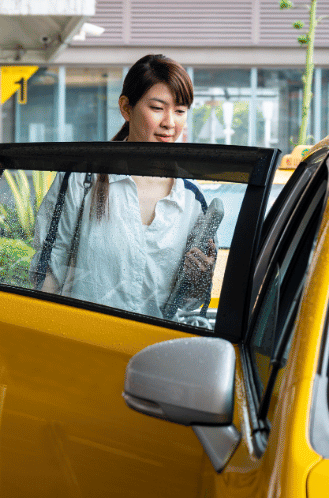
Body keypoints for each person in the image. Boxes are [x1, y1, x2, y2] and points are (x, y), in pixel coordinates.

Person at [32, 54, 216, 319]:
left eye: (180, 110)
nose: (170, 123)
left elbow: (185, 309)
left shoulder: (192, 200)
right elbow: (45, 275)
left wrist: (198, 279)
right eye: (157, 107)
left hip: (155, 353)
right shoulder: (82, 180)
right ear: (126, 108)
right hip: (83, 345)